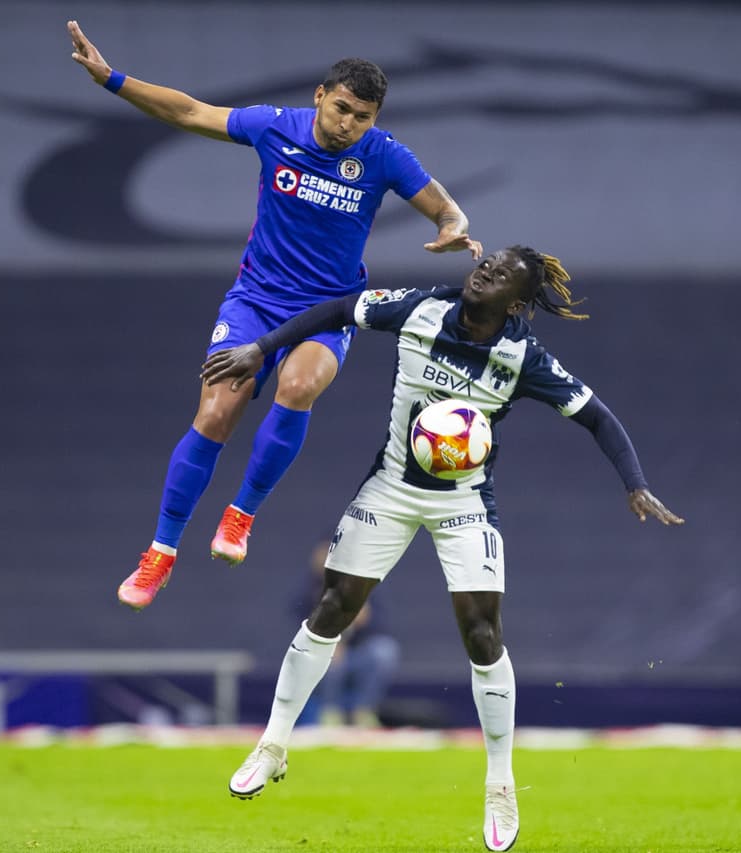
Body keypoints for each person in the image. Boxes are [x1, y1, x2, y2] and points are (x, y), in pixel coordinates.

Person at [201, 246, 684, 851]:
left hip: (464, 504)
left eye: (505, 271)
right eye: (491, 260)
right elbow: (339, 309)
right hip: (392, 487)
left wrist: (635, 484)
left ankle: (500, 785)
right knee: (331, 611)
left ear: (519, 299)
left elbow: (599, 418)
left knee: (483, 635)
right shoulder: (421, 306)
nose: (487, 268)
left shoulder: (522, 357)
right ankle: (272, 744)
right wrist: (263, 348)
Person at [67, 20, 483, 611]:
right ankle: (160, 553)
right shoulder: (273, 128)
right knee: (215, 415)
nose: (348, 125)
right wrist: (110, 78)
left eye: (362, 117)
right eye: (341, 109)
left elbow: (445, 208)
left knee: (299, 383)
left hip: (327, 311)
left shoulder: (384, 156)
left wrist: (453, 228)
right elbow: (188, 113)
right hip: (256, 302)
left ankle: (240, 516)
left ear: (375, 119)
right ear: (320, 95)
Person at [294, 539, 399, 728]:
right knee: (330, 656)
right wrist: (329, 642)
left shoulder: (365, 583)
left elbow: (380, 626)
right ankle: (329, 713)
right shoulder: (312, 587)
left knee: (383, 651)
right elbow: (300, 623)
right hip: (324, 653)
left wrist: (363, 621)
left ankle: (363, 711)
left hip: (357, 652)